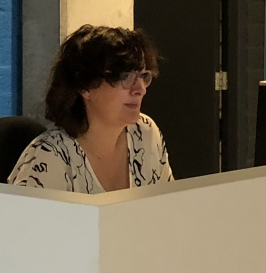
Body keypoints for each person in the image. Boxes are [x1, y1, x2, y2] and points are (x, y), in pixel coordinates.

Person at [9, 25, 174, 193]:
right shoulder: (49, 156)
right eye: (124, 77)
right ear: (85, 86)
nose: (140, 89)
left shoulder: (146, 132)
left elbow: (169, 204)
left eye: (143, 76)